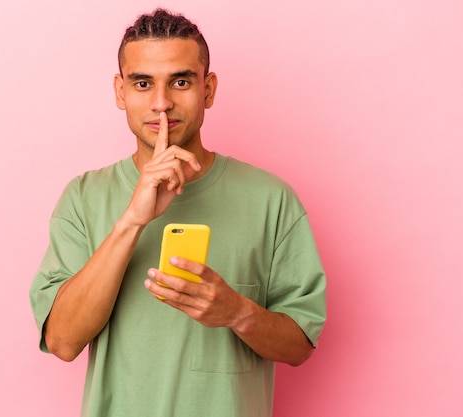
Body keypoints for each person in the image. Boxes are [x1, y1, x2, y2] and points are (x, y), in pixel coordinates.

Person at [30, 8, 326, 417]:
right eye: (142, 83)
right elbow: (63, 342)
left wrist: (238, 313)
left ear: (208, 89)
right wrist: (132, 220)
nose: (161, 103)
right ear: (120, 92)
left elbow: (300, 346)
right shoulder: (83, 198)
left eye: (181, 81)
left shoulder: (272, 199)